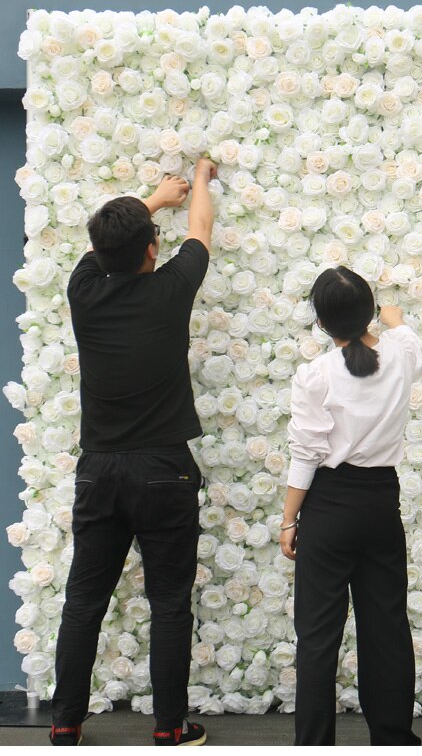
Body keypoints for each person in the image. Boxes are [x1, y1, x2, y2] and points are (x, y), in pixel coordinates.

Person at [49, 160, 218, 747]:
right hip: (164, 470)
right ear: (152, 250)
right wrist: (196, 180)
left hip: (98, 468)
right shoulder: (171, 289)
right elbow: (201, 229)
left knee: (84, 600)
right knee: (169, 602)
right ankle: (170, 727)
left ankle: (65, 721)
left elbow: (106, 244)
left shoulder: (83, 292)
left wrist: (150, 201)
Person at [281, 266, 422, 746]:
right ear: (370, 311)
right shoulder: (402, 353)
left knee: (319, 635)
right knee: (386, 624)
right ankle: (392, 737)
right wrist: (397, 321)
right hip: (382, 503)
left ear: (321, 324)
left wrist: (288, 520)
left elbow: (305, 454)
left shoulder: (316, 375)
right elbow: (416, 351)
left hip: (329, 506)